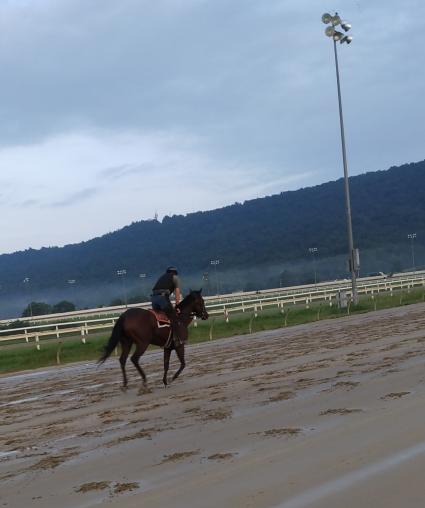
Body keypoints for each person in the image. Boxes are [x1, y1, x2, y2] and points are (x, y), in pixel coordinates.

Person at [151, 267, 185, 345]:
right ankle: (177, 339)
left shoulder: (162, 277)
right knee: (174, 317)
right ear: (175, 273)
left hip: (153, 298)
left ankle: (162, 339)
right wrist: (177, 305)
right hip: (162, 298)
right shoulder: (175, 278)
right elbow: (177, 292)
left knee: (161, 319)